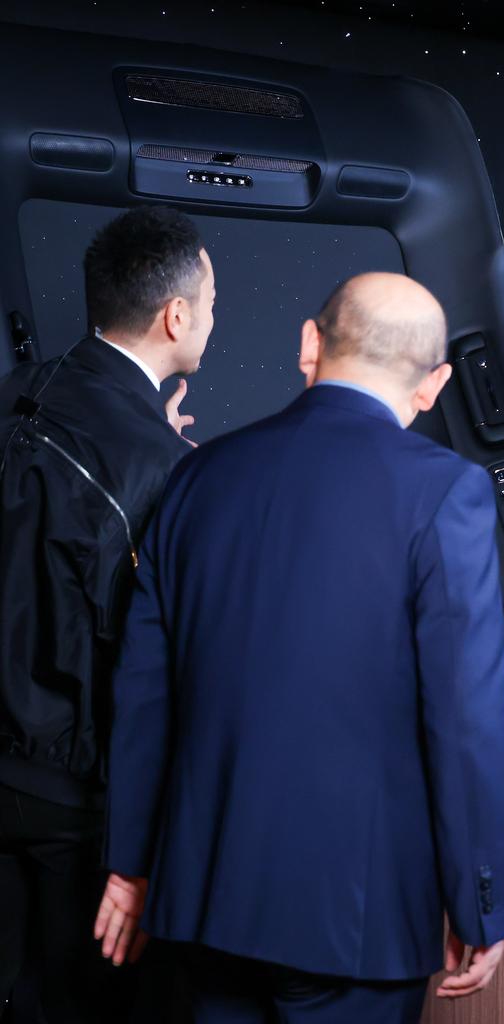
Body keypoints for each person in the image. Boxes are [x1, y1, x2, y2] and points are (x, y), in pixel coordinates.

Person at [94, 272, 504, 1023]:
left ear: (310, 345)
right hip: (354, 916)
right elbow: (465, 719)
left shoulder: (199, 474)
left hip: (199, 897)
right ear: (435, 384)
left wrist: (130, 866)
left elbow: (144, 691)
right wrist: (480, 903)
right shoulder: (447, 490)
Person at [0, 206, 209, 1020]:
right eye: (211, 300)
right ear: (176, 315)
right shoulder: (162, 467)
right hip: (74, 789)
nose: (214, 315)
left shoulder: (21, 391)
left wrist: (149, 436)